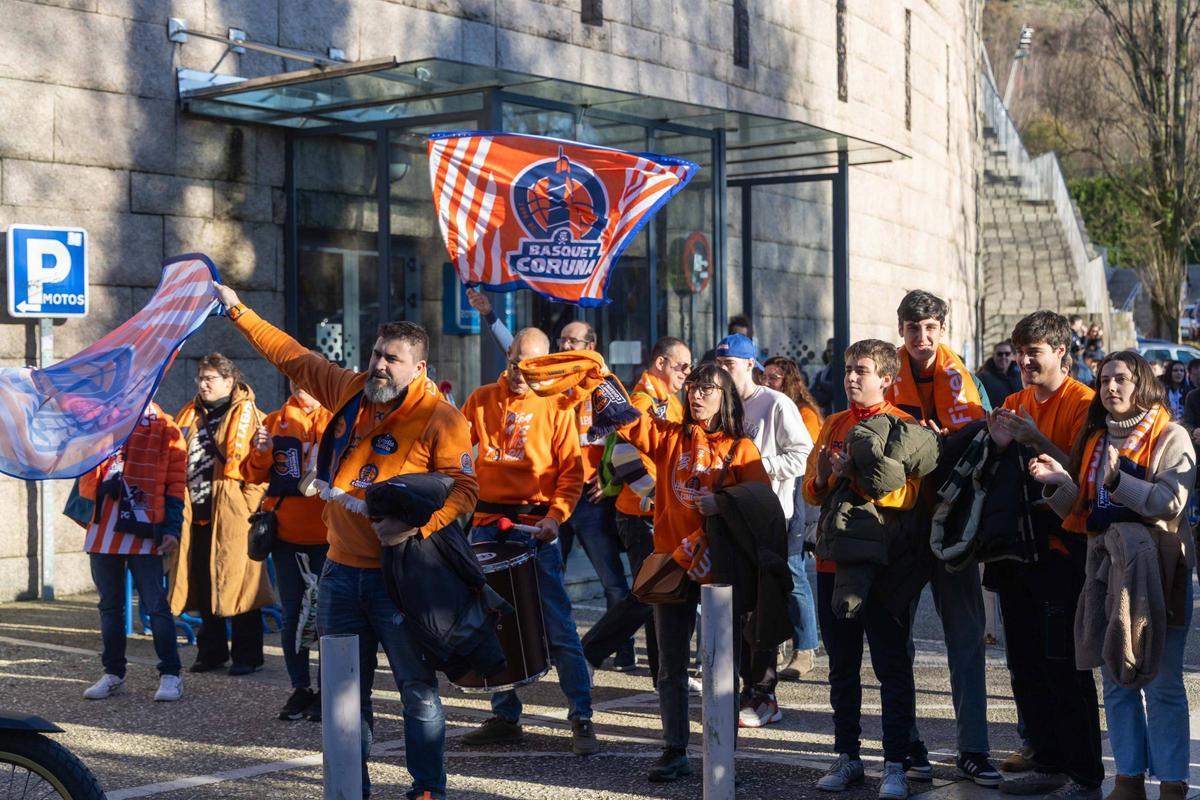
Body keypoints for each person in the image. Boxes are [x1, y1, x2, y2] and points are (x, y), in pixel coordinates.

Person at [212, 284, 478, 800]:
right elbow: (291, 355)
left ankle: (428, 790)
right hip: (339, 574)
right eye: (376, 354)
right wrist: (236, 308)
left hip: (401, 578)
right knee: (344, 695)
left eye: (392, 359)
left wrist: (416, 528)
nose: (379, 365)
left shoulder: (442, 417)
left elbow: (465, 490)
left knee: (417, 690)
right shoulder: (351, 390)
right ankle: (351, 789)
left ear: (419, 367)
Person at [1029, 351, 1194, 800]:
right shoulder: (1096, 437)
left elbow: (1171, 502)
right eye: (1104, 380)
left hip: (1160, 575)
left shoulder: (1171, 434)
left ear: (1142, 384)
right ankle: (1128, 779)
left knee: (1162, 683)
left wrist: (1119, 481)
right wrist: (1060, 483)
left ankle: (1173, 783)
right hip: (1105, 572)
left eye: (1121, 379)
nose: (1111, 388)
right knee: (1117, 683)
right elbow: (1086, 512)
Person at [608, 361, 768, 782]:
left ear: (725, 397)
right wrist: (598, 376)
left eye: (707, 388)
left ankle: (722, 754)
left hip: (721, 569)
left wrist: (724, 503)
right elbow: (628, 422)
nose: (696, 394)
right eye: (693, 386)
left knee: (722, 668)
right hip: (673, 564)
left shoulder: (741, 448)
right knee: (670, 667)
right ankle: (674, 750)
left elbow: (761, 506)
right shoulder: (669, 437)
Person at [458, 327, 598, 755]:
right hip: (487, 523)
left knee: (558, 625)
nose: (520, 372)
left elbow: (572, 474)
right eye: (515, 362)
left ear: (546, 364)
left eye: (531, 365)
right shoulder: (482, 399)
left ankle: (581, 716)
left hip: (537, 527)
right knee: (495, 623)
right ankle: (505, 716)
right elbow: (454, 451)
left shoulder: (559, 405)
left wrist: (556, 518)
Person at [985, 310, 1103, 800]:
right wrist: (993, 444)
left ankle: (1084, 775)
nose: (1024, 361)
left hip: (1062, 549)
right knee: (1025, 662)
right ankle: (1046, 758)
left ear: (1060, 351)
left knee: (1064, 664)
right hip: (1016, 550)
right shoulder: (1014, 400)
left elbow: (1085, 474)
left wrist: (1035, 438)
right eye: (1020, 352)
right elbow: (991, 465)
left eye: (1034, 352)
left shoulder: (1084, 402)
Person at [886, 290, 999, 787]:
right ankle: (907, 744)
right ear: (901, 330)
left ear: (942, 329)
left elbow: (986, 444)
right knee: (896, 642)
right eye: (913, 328)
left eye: (931, 327)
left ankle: (973, 749)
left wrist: (941, 443)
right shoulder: (883, 375)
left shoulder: (968, 380)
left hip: (955, 525)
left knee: (966, 640)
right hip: (902, 527)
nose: (922, 337)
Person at [803, 339, 926, 800]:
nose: (852, 378)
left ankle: (895, 763)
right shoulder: (833, 423)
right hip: (833, 560)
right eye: (848, 369)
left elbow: (908, 495)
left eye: (862, 370)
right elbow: (811, 491)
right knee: (842, 665)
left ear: (887, 379)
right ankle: (847, 755)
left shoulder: (904, 426)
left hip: (884, 564)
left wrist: (855, 475)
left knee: (891, 665)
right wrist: (828, 476)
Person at [714, 334, 814, 728]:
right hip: (729, 518)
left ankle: (765, 694)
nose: (723, 370)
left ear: (749, 364)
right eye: (719, 364)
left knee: (764, 609)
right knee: (735, 610)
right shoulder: (721, 404)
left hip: (770, 519)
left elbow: (802, 453)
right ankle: (743, 689)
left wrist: (758, 467)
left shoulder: (775, 403)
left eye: (730, 364)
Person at [581, 336, 693, 686]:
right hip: (640, 515)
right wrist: (659, 497)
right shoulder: (642, 401)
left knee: (662, 594)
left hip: (656, 514)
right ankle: (590, 652)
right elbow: (623, 455)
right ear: (660, 363)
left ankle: (666, 673)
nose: (686, 374)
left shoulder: (670, 402)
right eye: (682, 366)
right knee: (649, 593)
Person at [71, 401, 187, 702]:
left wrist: (172, 528)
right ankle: (113, 672)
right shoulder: (102, 417)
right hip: (102, 527)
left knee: (155, 604)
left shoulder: (165, 426)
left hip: (144, 523)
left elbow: (175, 484)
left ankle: (171, 673)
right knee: (109, 606)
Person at [170, 354, 272, 677]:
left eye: (210, 378)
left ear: (230, 381)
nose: (203, 384)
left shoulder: (251, 415)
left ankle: (248, 655)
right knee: (203, 581)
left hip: (233, 513)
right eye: (200, 378)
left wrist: (246, 505)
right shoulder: (190, 414)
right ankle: (211, 652)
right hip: (197, 512)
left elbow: (262, 466)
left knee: (241, 584)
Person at [244, 380, 332, 722]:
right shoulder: (273, 421)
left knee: (328, 617)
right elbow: (252, 474)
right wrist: (262, 450)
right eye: (294, 378)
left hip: (331, 538)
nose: (301, 386)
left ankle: (328, 689)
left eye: (307, 377)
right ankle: (300, 687)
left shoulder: (338, 419)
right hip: (286, 536)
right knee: (293, 615)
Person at [762, 356, 823, 681]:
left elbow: (804, 462)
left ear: (789, 381)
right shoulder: (765, 407)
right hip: (771, 503)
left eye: (774, 377)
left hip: (796, 504)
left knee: (794, 573)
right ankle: (777, 643)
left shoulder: (803, 413)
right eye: (764, 376)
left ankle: (806, 649)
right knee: (771, 576)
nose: (767, 382)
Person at [979, 340, 1023, 407]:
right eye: (999, 354)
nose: (1003, 357)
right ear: (993, 356)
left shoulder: (1020, 375)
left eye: (1007, 354)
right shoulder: (983, 378)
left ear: (1012, 356)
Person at [810, 337, 837, 416]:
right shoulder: (821, 373)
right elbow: (812, 394)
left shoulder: (846, 372)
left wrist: (822, 386)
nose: (831, 354)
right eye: (829, 351)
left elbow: (837, 391)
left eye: (834, 350)